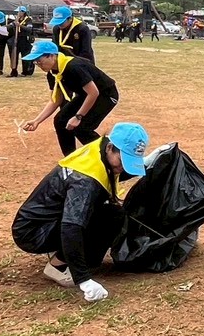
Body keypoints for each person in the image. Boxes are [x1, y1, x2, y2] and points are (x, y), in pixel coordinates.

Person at [11, 121, 150, 302]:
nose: (124, 168)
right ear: (110, 148)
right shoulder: (85, 181)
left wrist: (152, 160)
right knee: (111, 217)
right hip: (34, 232)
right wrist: (83, 280)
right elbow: (71, 226)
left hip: (43, 221)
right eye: (124, 160)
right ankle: (58, 265)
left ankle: (66, 254)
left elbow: (113, 173)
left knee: (110, 212)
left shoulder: (100, 149)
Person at [21, 40, 119, 154]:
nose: (38, 64)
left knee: (82, 127)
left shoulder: (73, 67)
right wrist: (37, 121)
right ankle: (70, 158)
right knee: (60, 121)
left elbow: (93, 93)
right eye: (35, 62)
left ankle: (112, 155)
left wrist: (78, 116)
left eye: (39, 60)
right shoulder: (53, 73)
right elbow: (56, 100)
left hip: (106, 95)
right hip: (86, 95)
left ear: (52, 56)